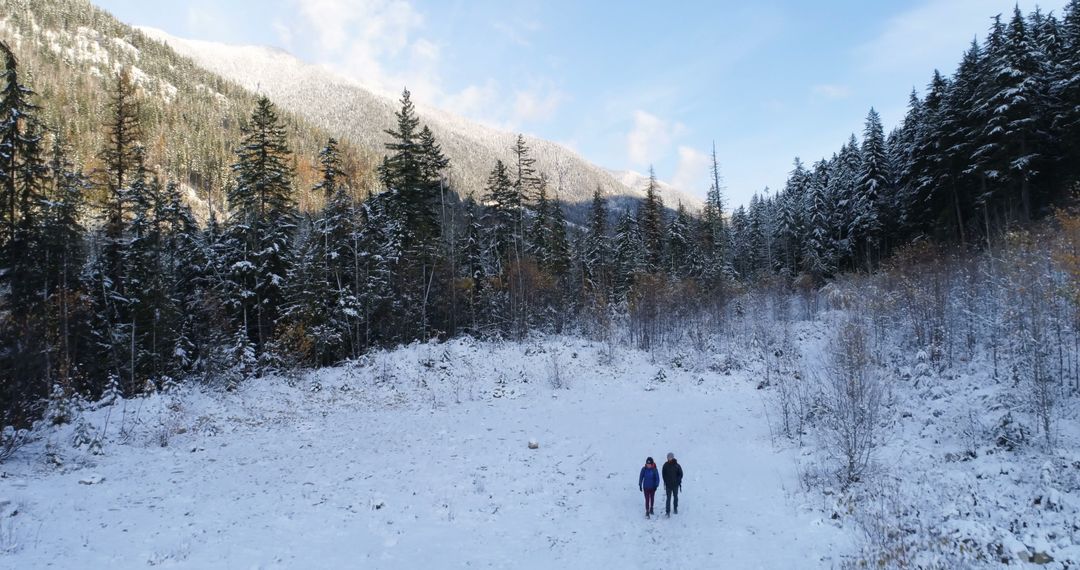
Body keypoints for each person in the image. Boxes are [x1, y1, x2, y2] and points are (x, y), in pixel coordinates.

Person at [662, 452, 683, 516]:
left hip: (675, 485)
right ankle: (667, 511)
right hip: (668, 485)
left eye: (670, 457)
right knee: (668, 498)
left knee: (675, 497)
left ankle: (675, 508)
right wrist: (666, 481)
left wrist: (678, 481)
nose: (669, 458)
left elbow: (681, 474)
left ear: (673, 458)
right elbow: (663, 474)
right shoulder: (665, 465)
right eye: (668, 457)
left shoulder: (677, 465)